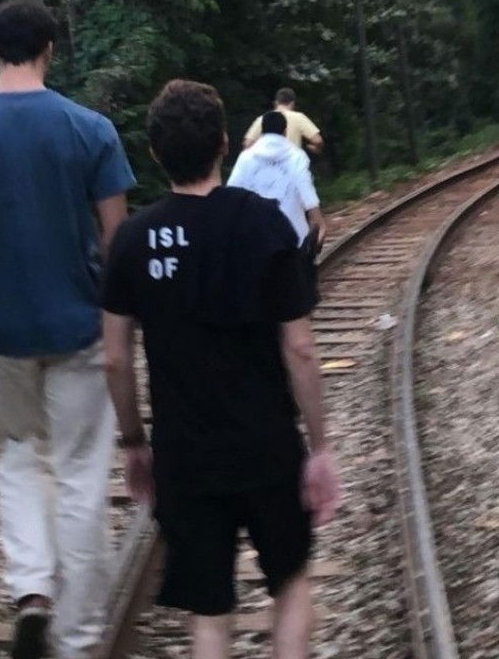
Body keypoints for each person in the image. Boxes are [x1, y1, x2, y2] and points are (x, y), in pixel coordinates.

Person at [0, 0, 135, 659]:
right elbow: (117, 239)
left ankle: (32, 590)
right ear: (49, 50)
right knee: (79, 475)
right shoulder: (90, 130)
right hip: (80, 324)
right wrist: (115, 317)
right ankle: (80, 636)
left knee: (15, 456)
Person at [100, 80, 341, 659]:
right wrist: (319, 446)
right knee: (290, 585)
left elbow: (114, 358)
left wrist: (134, 444)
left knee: (210, 612)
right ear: (224, 144)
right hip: (267, 447)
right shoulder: (265, 223)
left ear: (155, 153)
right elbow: (301, 350)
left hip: (185, 455)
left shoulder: (132, 241)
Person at [227, 110, 326, 292]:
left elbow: (231, 194)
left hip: (255, 238)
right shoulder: (297, 156)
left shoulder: (246, 158)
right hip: (293, 238)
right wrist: (318, 221)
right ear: (285, 131)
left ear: (262, 131)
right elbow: (306, 191)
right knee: (293, 292)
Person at [243, 87, 324, 155]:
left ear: (276, 102)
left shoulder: (263, 118)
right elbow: (318, 140)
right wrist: (316, 149)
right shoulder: (299, 117)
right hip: (292, 163)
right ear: (292, 103)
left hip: (268, 164)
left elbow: (247, 144)